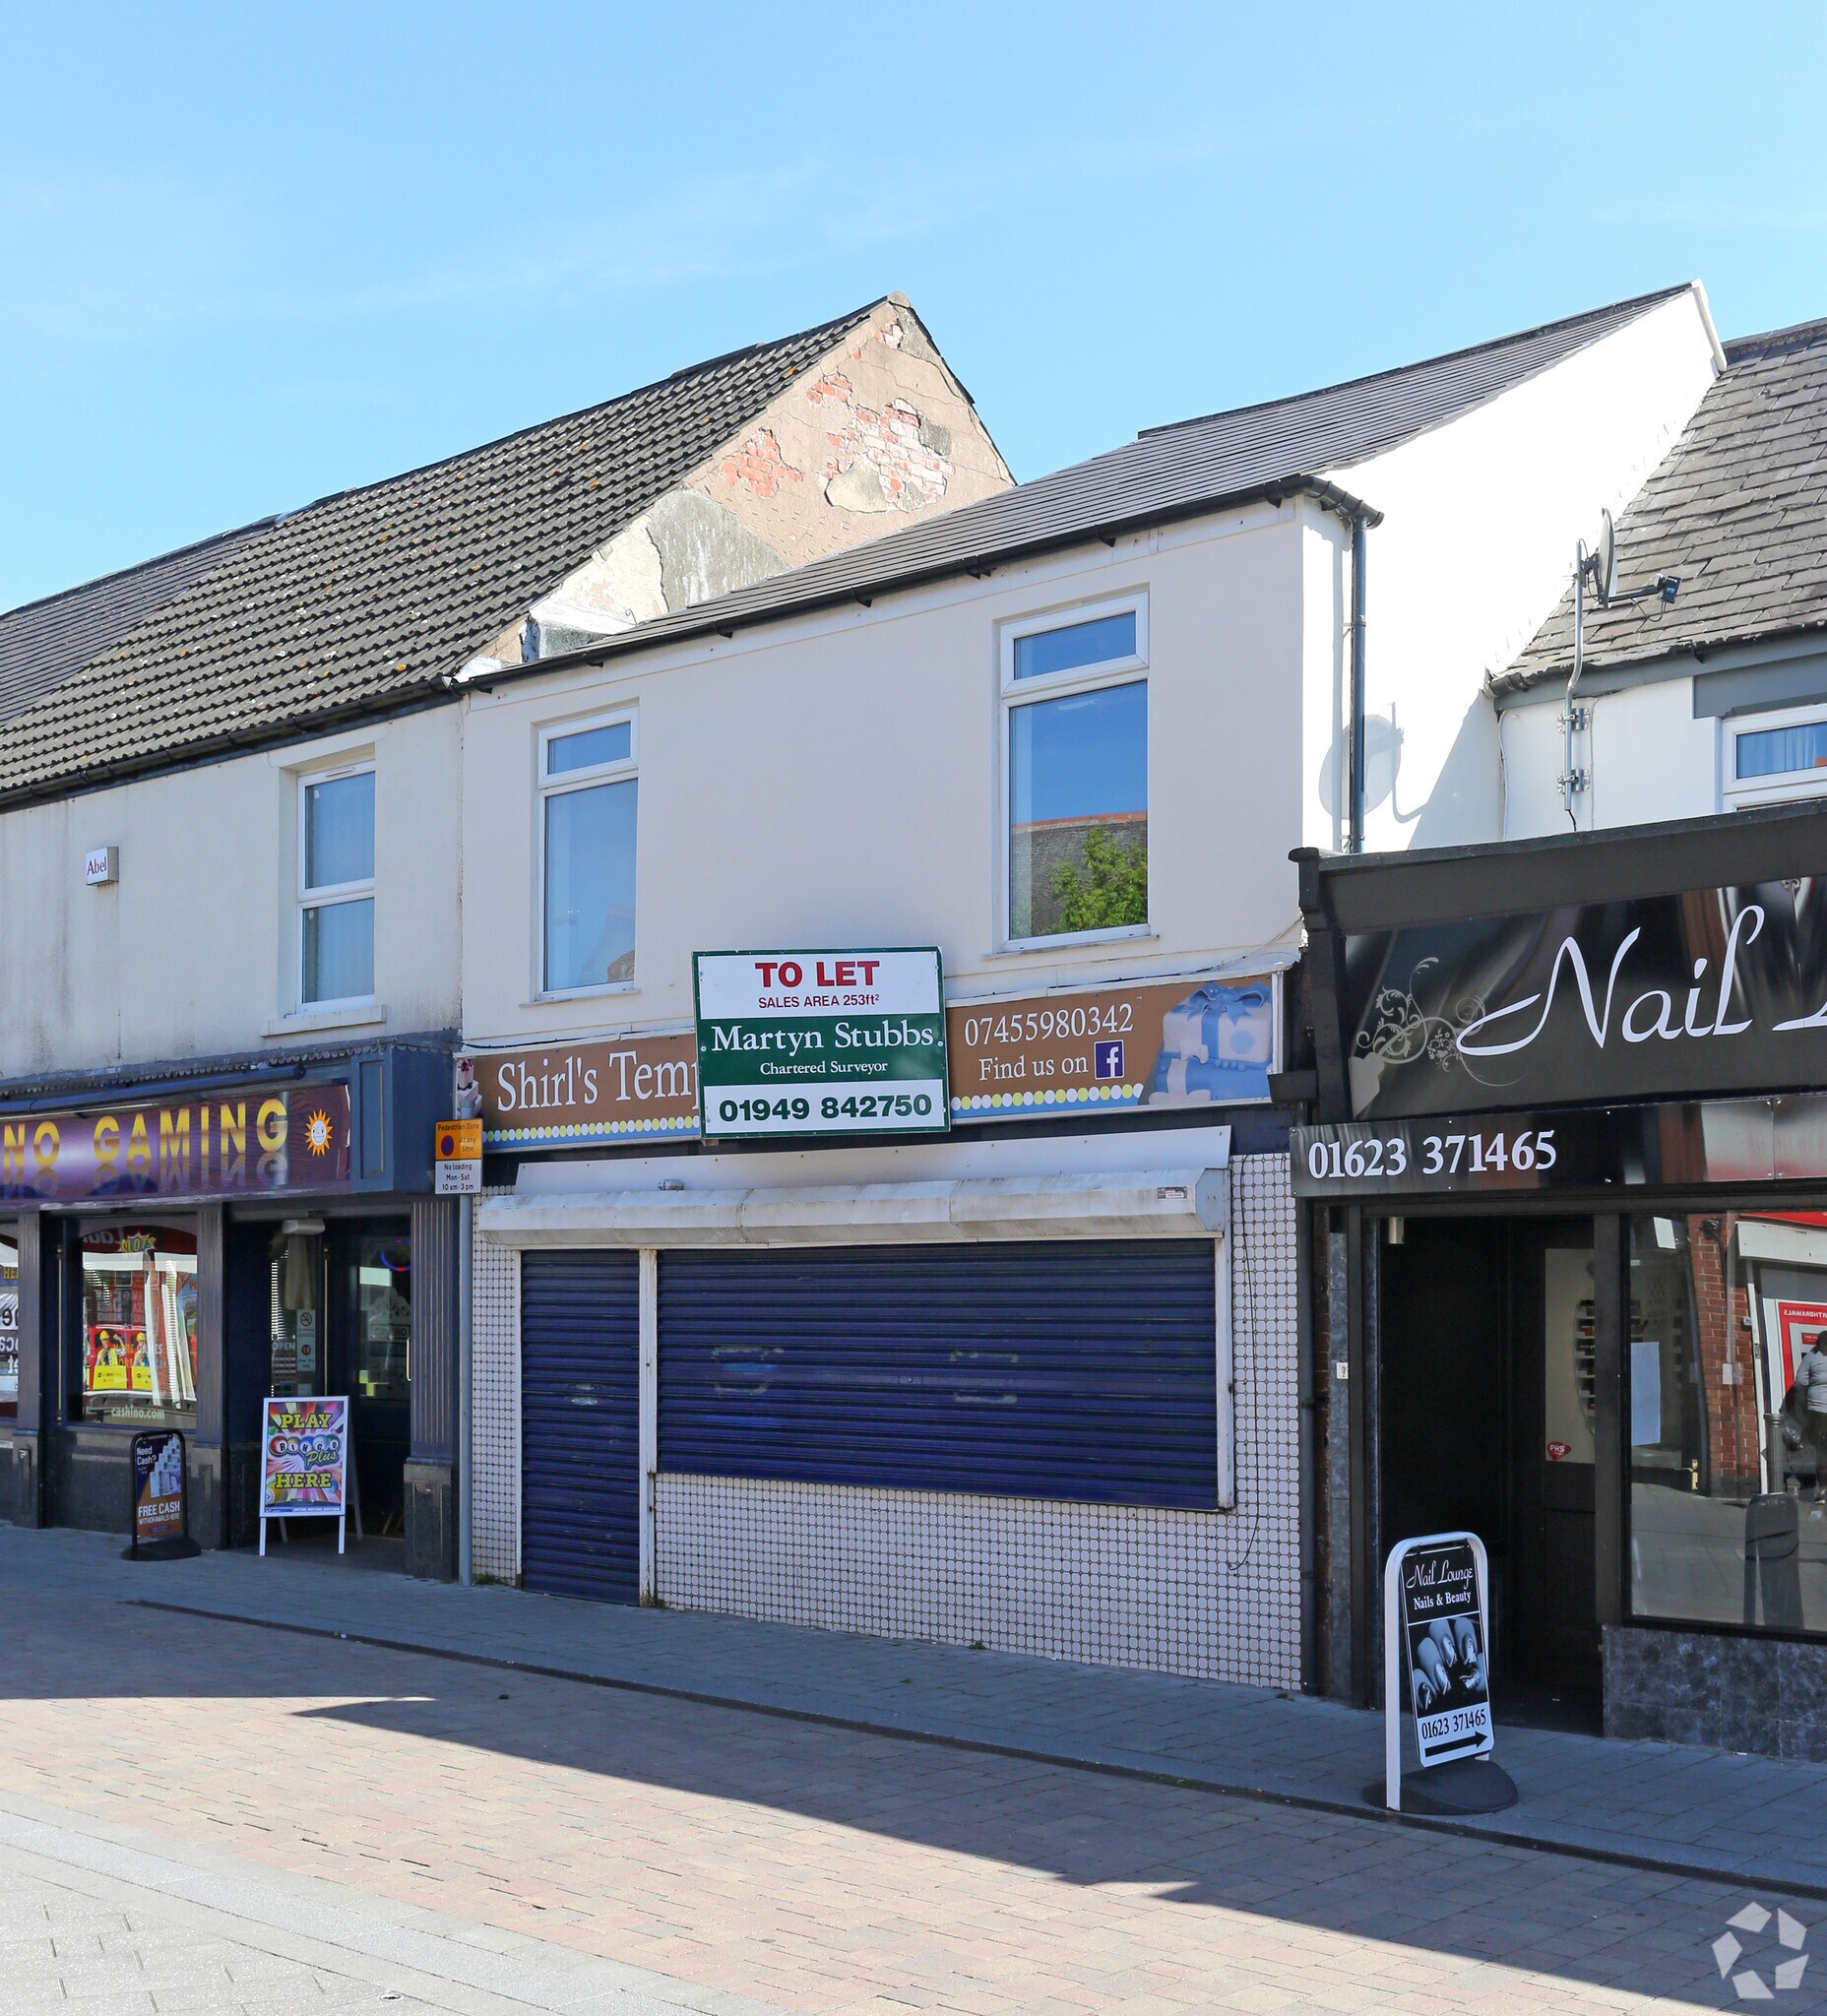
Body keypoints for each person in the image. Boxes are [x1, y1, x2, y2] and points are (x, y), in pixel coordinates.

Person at [1795, 1332, 1827, 1502]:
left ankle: (1821, 1490)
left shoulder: (1812, 1356)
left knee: (1819, 1449)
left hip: (1817, 1411)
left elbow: (1800, 1381)